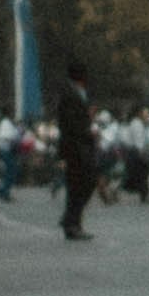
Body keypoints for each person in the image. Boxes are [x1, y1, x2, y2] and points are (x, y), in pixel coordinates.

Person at [53, 63, 97, 242]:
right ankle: (72, 223)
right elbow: (71, 123)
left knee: (81, 185)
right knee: (81, 184)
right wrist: (88, 128)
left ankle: (72, 221)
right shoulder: (70, 95)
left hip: (81, 145)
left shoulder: (78, 93)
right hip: (76, 146)